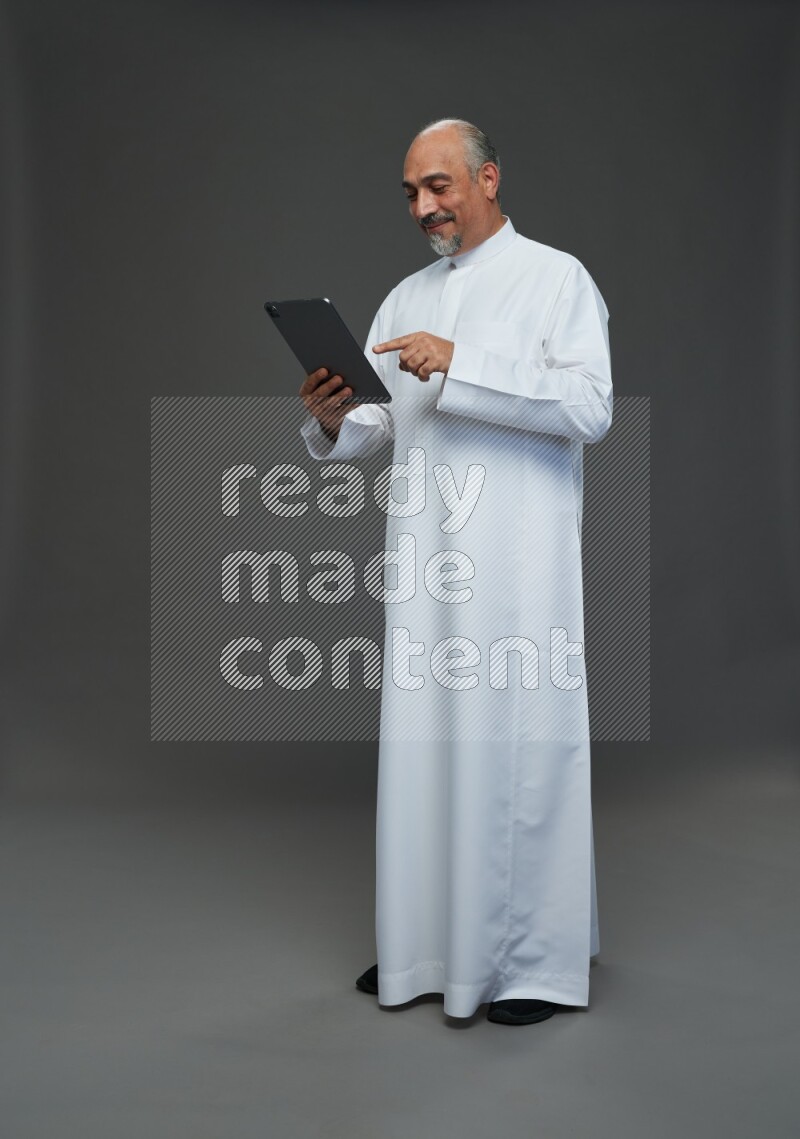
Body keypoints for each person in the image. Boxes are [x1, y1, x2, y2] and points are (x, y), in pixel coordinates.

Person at [298, 118, 612, 1025]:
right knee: (428, 747)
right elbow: (382, 425)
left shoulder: (556, 278)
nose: (423, 206)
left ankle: (523, 963)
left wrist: (464, 361)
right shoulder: (404, 297)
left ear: (488, 178)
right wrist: (330, 420)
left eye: (438, 185)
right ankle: (427, 947)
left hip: (518, 563)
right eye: (410, 192)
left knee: (516, 746)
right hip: (428, 567)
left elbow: (590, 406)